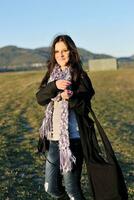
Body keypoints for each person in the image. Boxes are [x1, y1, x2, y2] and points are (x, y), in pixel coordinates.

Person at [36, 34, 98, 200]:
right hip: (53, 140)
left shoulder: (81, 77)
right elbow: (40, 98)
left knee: (72, 190)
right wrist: (54, 85)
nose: (60, 54)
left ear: (72, 52)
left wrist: (71, 99)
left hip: (74, 141)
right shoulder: (52, 76)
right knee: (50, 188)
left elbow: (85, 108)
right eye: (57, 51)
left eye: (64, 50)